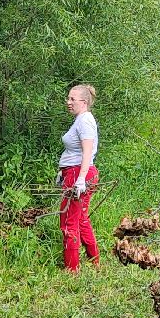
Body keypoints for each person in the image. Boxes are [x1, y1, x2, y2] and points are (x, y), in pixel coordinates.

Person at [57, 83, 100, 272]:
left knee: (68, 221)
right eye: (68, 98)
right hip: (74, 172)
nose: (68, 102)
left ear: (83, 101)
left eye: (72, 99)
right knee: (81, 218)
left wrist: (80, 179)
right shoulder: (81, 119)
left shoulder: (85, 121)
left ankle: (71, 269)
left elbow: (87, 152)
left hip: (78, 174)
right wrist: (62, 171)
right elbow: (74, 151)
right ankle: (94, 261)